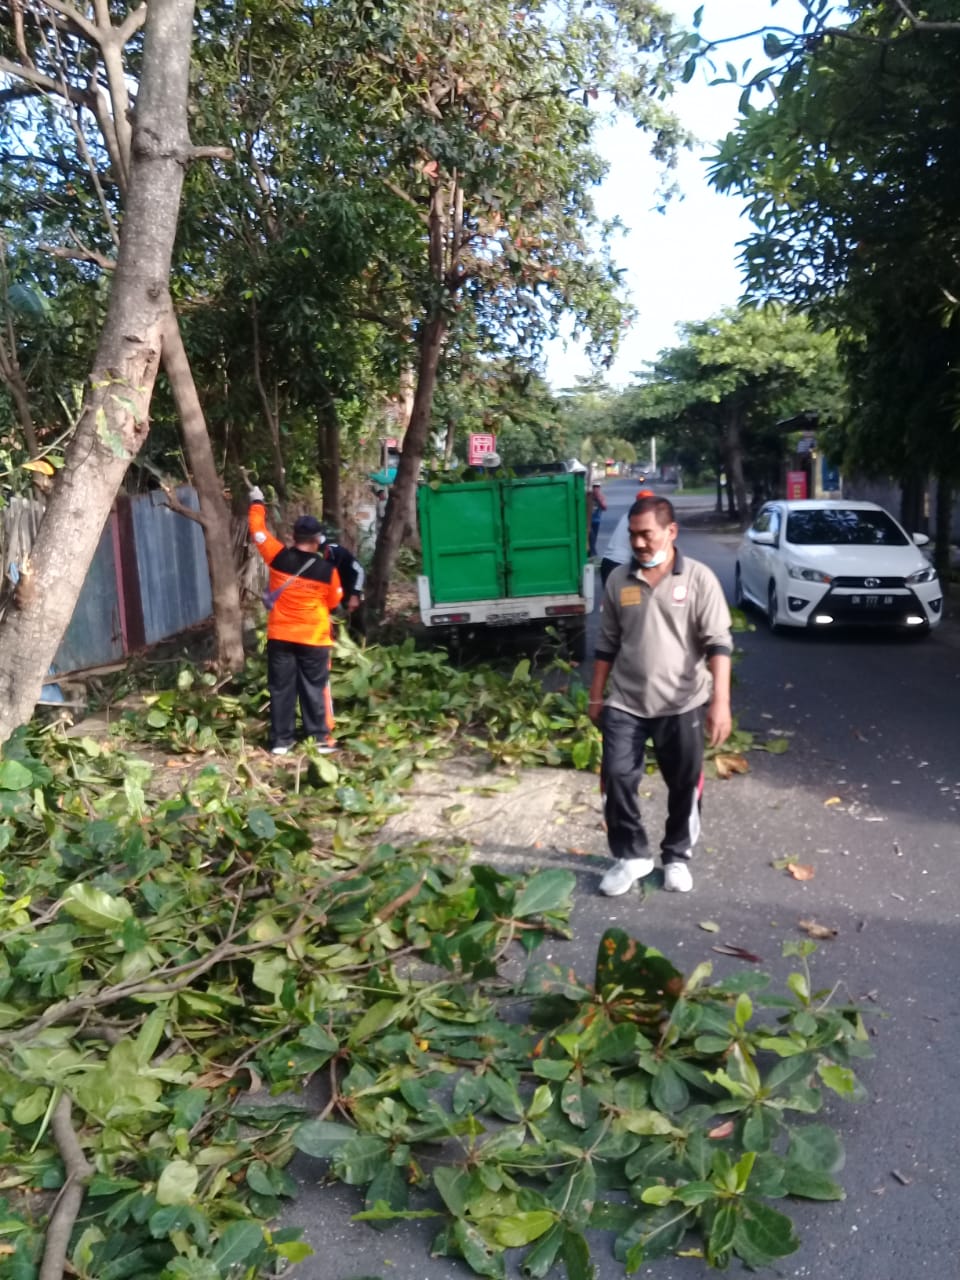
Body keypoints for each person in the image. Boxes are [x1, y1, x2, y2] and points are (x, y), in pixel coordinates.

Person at [588, 495, 733, 895]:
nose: (637, 543)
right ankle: (631, 856)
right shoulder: (619, 580)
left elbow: (718, 643)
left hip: (683, 701)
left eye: (646, 534)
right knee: (616, 776)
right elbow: (606, 643)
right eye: (632, 535)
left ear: (671, 532)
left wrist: (720, 702)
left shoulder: (699, 578)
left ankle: (676, 855)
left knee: (684, 784)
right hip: (626, 701)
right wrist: (596, 696)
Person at [248, 488, 343, 755]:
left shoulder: (277, 556)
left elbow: (257, 531)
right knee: (315, 687)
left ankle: (281, 741)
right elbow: (334, 601)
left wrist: (257, 501)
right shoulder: (327, 571)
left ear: (293, 536)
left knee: (281, 688)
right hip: (314, 639)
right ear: (316, 540)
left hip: (281, 637)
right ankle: (320, 739)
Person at [599, 489, 655, 588]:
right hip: (620, 566)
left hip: (607, 563)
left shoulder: (628, 515)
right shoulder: (642, 520)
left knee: (611, 597)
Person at [588, 482, 607, 558]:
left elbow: (605, 508)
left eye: (597, 487)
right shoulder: (588, 496)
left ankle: (591, 553)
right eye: (594, 487)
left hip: (596, 520)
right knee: (591, 537)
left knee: (594, 538)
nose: (596, 488)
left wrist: (598, 499)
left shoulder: (601, 497)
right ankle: (593, 553)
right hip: (588, 521)